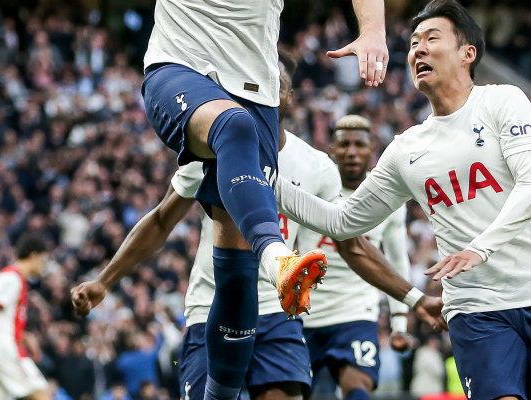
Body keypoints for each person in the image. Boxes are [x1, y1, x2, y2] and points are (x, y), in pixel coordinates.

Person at [78, 0, 388, 400]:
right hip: (175, 73)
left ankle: (223, 384)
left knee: (234, 273)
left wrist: (374, 31)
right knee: (233, 130)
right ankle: (280, 257)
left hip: (254, 94)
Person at [71, 59, 440, 400]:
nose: (264, 83)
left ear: (289, 97)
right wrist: (105, 280)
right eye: (258, 76)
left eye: (275, 80)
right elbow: (161, 220)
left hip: (277, 314)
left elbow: (353, 246)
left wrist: (412, 300)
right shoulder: (210, 152)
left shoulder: (317, 167)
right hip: (210, 309)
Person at [275, 0, 531, 400]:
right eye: (414, 42)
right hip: (476, 308)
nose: (418, 49)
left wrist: (479, 249)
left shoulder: (503, 101)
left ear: (468, 53)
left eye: (432, 38)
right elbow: (343, 223)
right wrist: (263, 181)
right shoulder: (406, 149)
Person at [298, 114, 417, 400]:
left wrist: (399, 324)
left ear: (371, 148)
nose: (352, 152)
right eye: (345, 145)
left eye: (359, 145)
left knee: (358, 385)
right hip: (303, 314)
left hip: (356, 313)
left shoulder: (386, 198)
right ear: (332, 150)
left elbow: (398, 261)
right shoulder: (309, 190)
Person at [0, 234, 50, 400]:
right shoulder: (11, 277)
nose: (44, 264)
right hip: (5, 352)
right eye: (44, 258)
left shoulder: (18, 279)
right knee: (41, 393)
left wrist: (26, 337)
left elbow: (4, 319)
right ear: (34, 255)